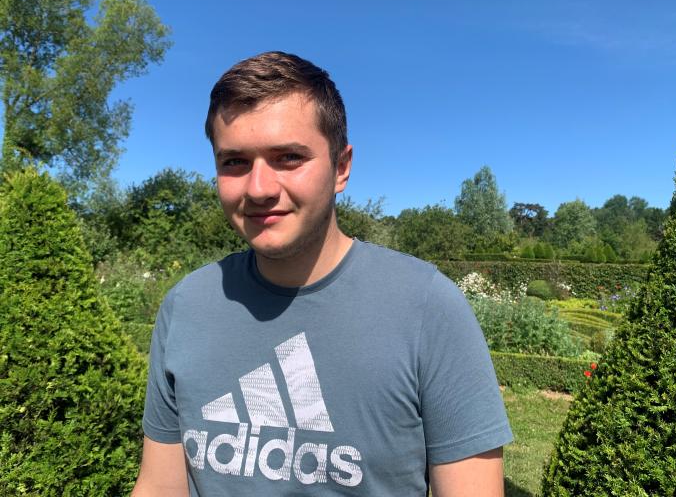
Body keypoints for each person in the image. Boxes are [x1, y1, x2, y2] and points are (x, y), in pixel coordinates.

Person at [131, 51, 513, 496]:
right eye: (234, 162)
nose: (259, 189)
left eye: (289, 157)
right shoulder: (186, 305)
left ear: (342, 168)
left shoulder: (426, 308)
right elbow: (159, 486)